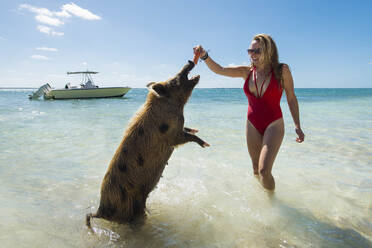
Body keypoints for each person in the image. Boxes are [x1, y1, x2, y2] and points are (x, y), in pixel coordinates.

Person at [194, 34, 305, 191]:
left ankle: (272, 202)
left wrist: (297, 125)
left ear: (268, 50)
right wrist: (204, 56)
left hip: (274, 123)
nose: (252, 54)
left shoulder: (282, 71)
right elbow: (220, 70)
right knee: (255, 169)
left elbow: (291, 98)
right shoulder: (247, 72)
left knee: (264, 171)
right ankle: (260, 200)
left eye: (257, 51)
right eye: (250, 51)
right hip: (252, 124)